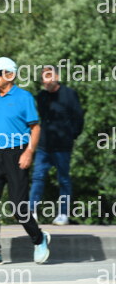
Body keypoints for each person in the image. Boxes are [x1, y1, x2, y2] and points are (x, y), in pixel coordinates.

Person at [0, 57, 51, 265]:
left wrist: (29, 152)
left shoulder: (24, 97)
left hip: (17, 154)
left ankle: (39, 238)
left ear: (10, 75)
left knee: (18, 206)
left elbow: (35, 127)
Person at [29, 66, 84, 225]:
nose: (46, 80)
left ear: (57, 76)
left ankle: (63, 214)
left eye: (49, 76)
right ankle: (31, 212)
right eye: (43, 77)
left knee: (63, 179)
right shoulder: (41, 97)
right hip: (44, 145)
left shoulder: (69, 94)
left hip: (63, 146)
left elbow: (78, 117)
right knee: (38, 177)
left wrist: (71, 135)